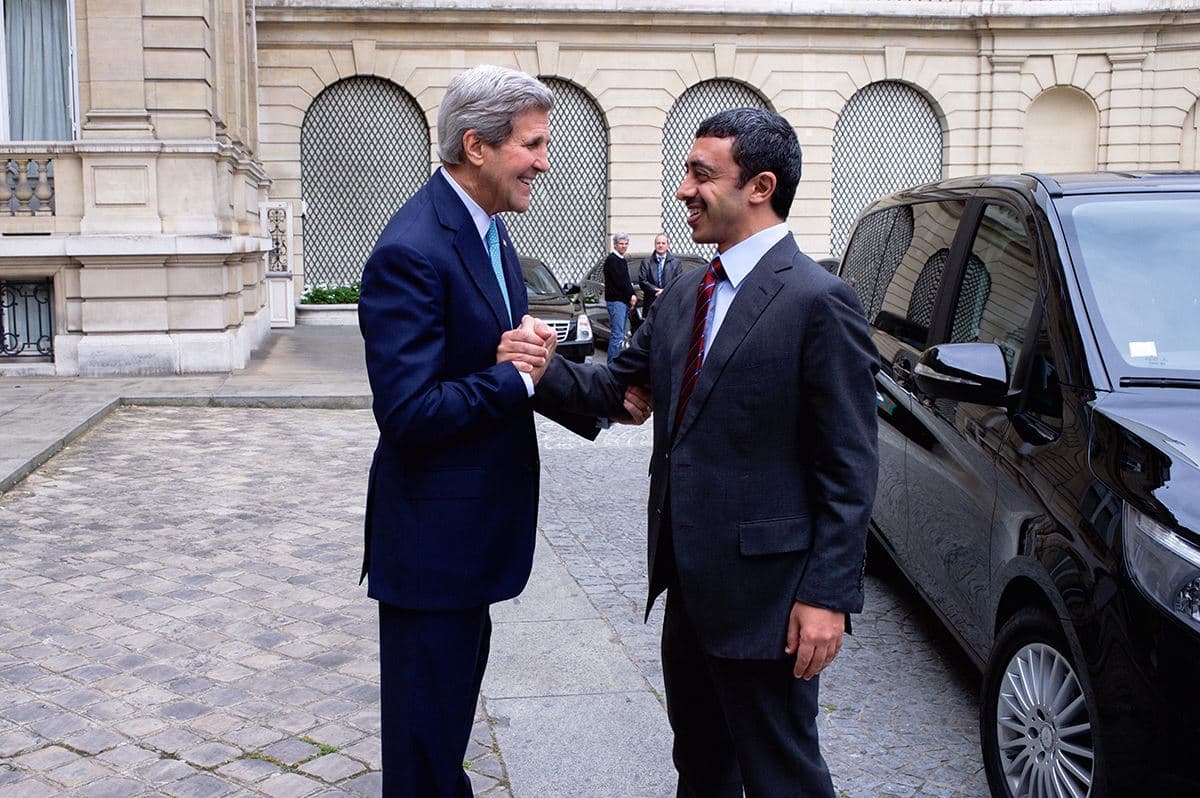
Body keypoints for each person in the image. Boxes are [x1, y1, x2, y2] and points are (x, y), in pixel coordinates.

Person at [503, 107, 879, 797]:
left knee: (782, 776)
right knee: (701, 769)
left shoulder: (819, 301)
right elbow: (616, 390)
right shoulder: (682, 295)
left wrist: (827, 597)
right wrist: (528, 367)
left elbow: (849, 466)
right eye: (687, 171)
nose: (683, 189)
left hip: (771, 603)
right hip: (689, 593)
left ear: (760, 186)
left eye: (702, 174)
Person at [357, 64, 641, 797]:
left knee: (442, 736)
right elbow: (409, 412)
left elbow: (523, 362)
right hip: (431, 553)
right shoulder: (411, 249)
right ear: (477, 146)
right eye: (533, 144)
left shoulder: (489, 234)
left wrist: (605, 402)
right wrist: (510, 376)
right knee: (423, 755)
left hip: (469, 546)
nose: (545, 162)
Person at [602, 232, 638, 362]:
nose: (624, 246)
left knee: (621, 335)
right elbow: (621, 281)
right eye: (621, 244)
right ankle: (612, 365)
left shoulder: (621, 260)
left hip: (621, 302)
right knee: (617, 336)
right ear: (615, 245)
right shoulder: (613, 260)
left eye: (626, 244)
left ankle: (615, 363)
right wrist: (631, 295)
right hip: (616, 302)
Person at [638, 232, 682, 314]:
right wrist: (656, 291)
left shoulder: (676, 263)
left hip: (669, 303)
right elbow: (643, 281)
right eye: (658, 243)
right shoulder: (646, 262)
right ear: (655, 245)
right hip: (651, 303)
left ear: (667, 245)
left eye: (663, 243)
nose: (660, 245)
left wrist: (664, 291)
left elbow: (678, 282)